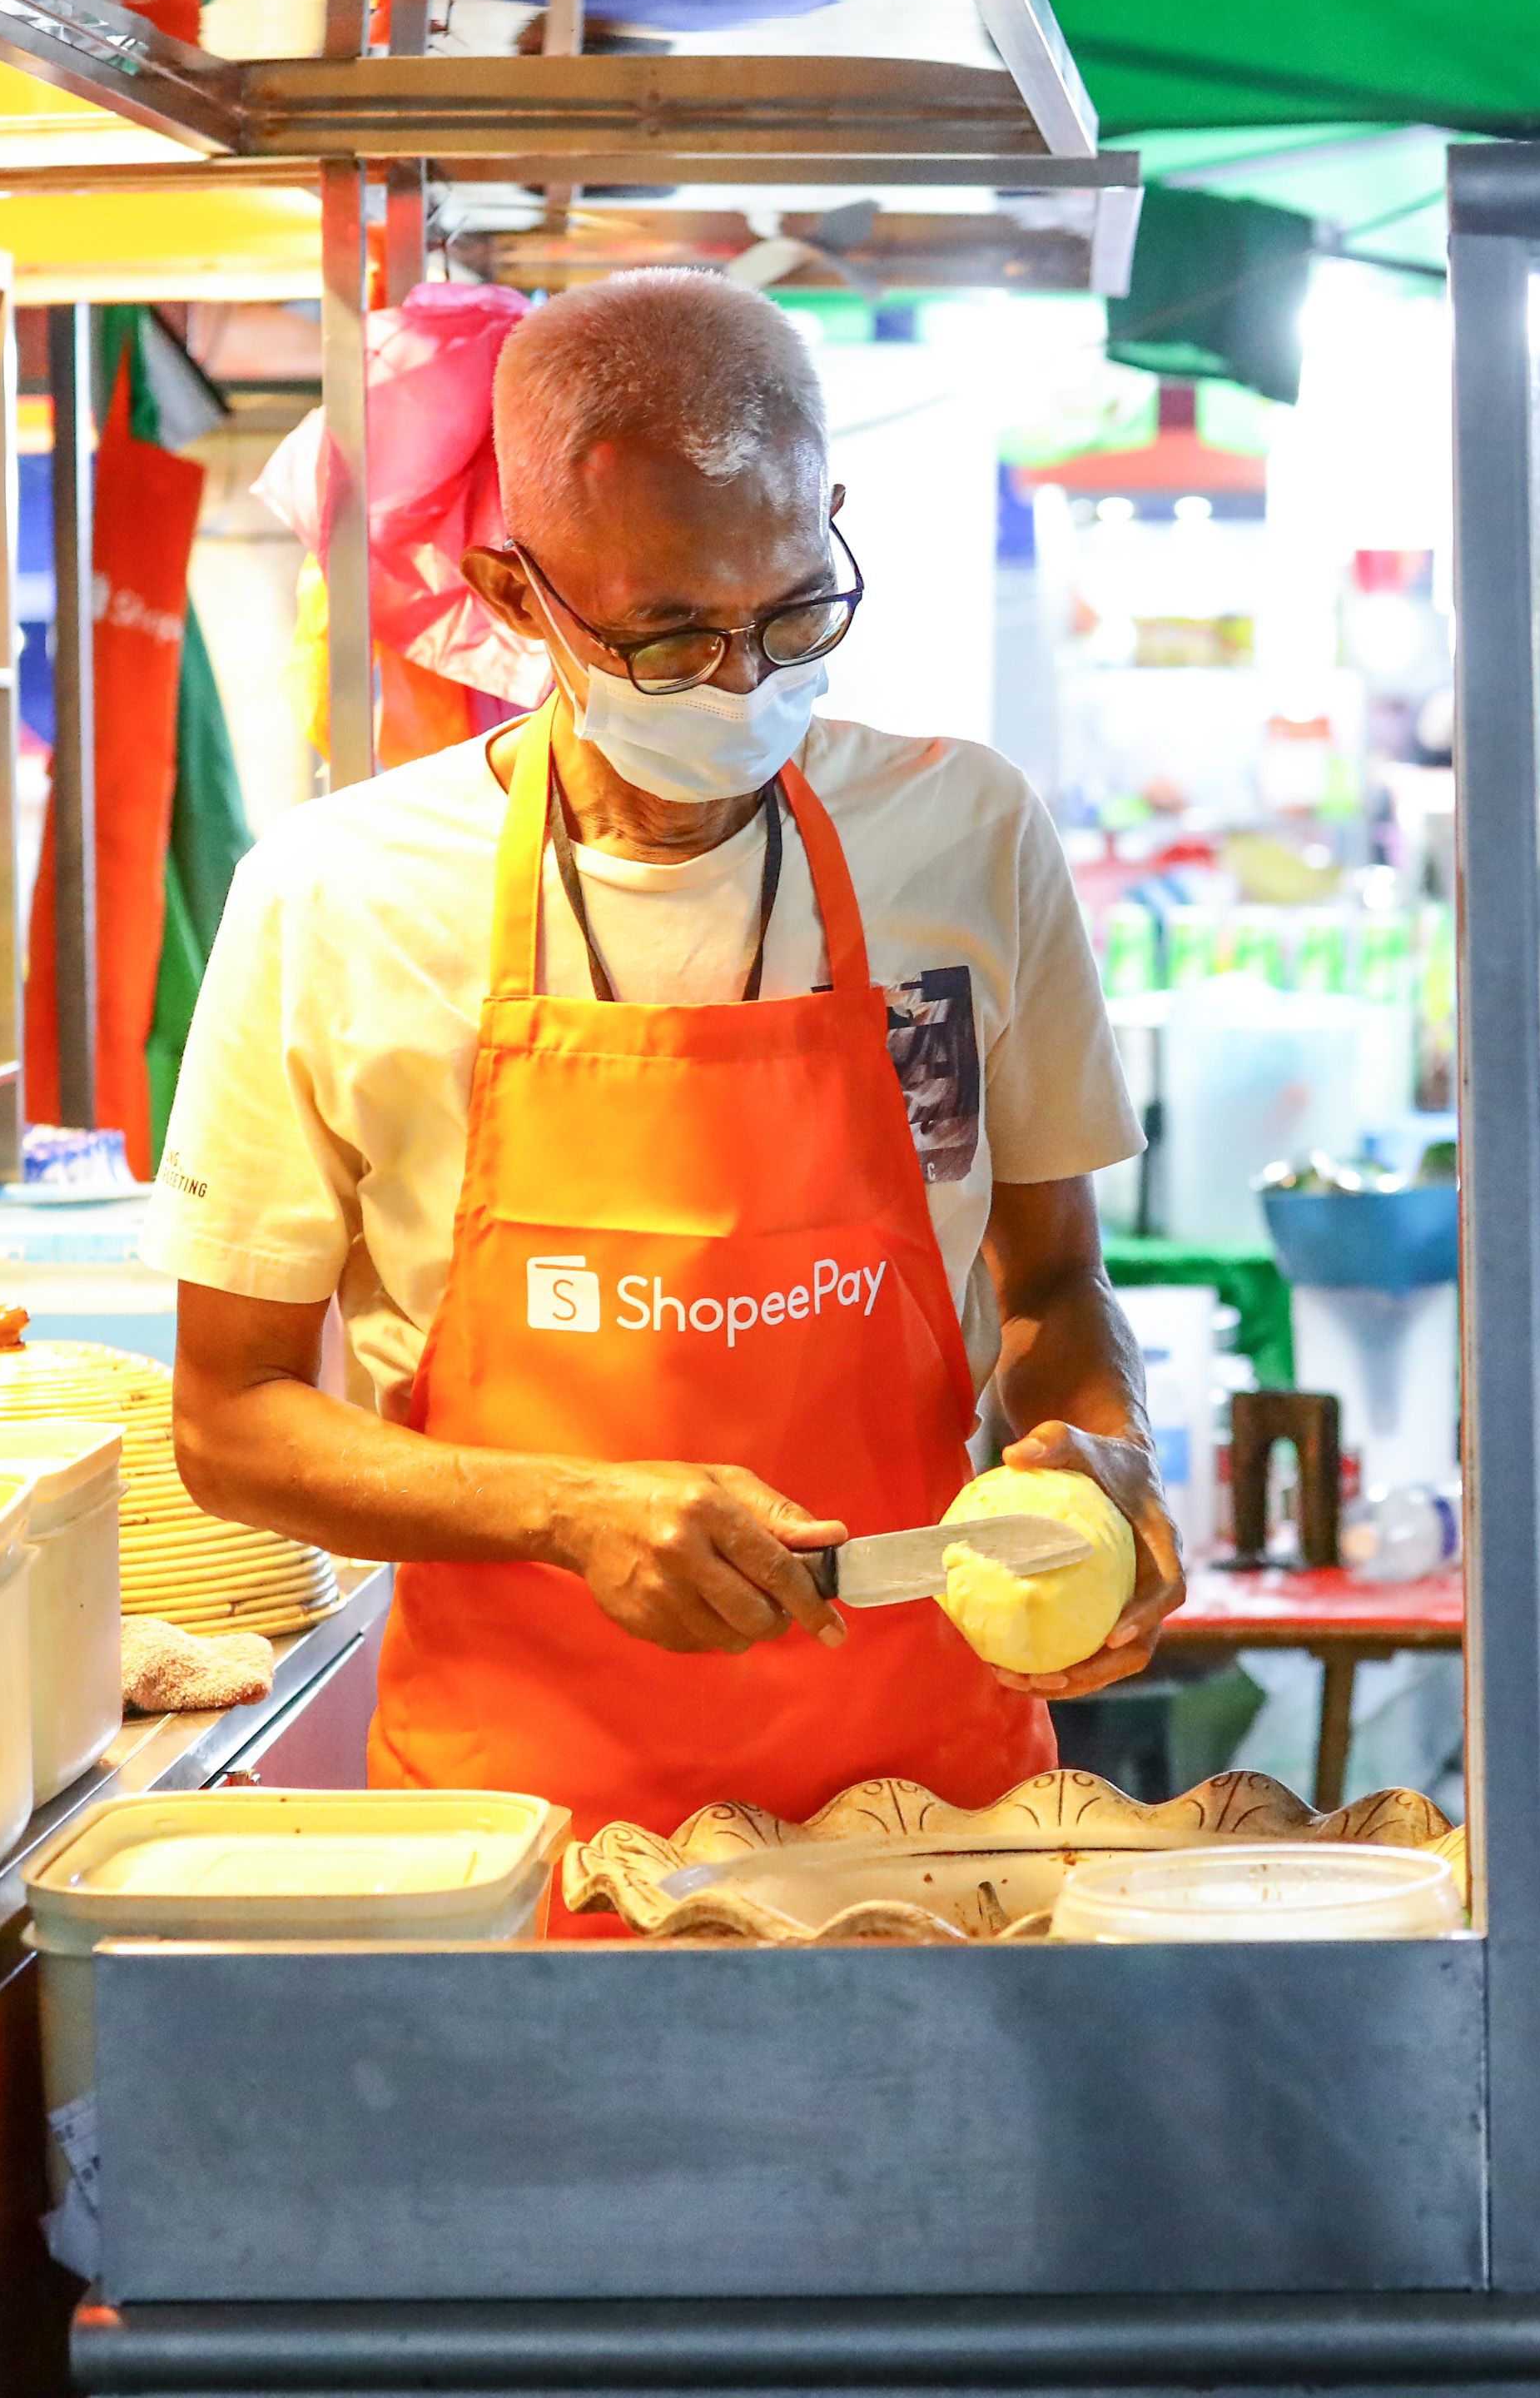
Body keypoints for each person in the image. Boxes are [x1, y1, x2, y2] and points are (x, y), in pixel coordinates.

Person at [144, 272, 1176, 1903]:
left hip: (934, 1819)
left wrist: (1100, 1448)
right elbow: (229, 1424)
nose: (741, 682)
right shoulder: (338, 895)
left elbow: (1051, 1283)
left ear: (831, 522)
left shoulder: (963, 834)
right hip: (518, 1842)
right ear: (516, 590)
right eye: (668, 633)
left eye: (793, 614)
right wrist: (566, 1510)